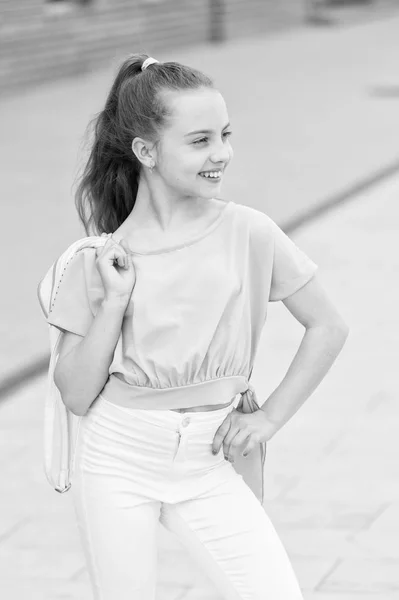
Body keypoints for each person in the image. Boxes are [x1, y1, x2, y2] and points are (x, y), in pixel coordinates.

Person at [42, 53, 349, 599]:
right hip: (117, 454)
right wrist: (114, 303)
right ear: (146, 151)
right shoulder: (102, 258)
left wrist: (271, 418)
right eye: (200, 140)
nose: (222, 154)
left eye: (225, 135)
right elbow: (76, 392)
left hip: (212, 459)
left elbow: (327, 325)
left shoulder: (249, 232)